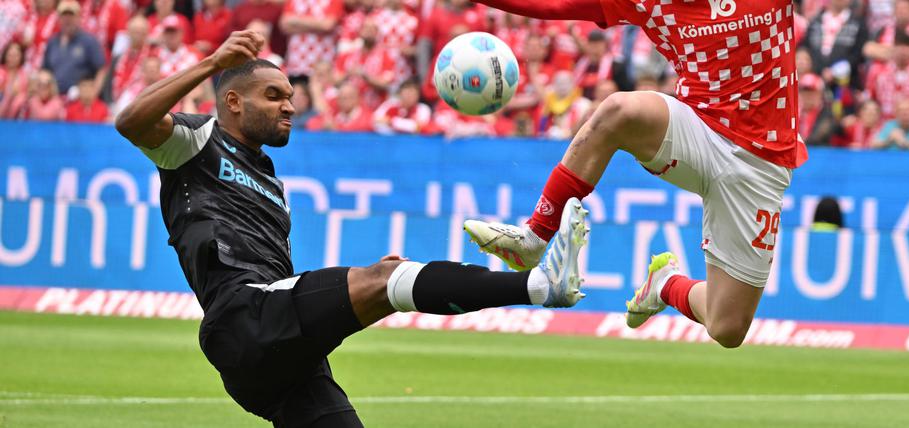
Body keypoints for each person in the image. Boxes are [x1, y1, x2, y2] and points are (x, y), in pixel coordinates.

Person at [113, 31, 589, 427]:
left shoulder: (271, 184)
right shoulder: (194, 142)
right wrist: (212, 62)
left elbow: (284, 282)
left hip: (278, 352)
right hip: (243, 315)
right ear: (233, 102)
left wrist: (351, 288)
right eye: (273, 95)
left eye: (291, 98)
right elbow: (131, 122)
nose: (289, 107)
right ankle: (542, 284)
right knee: (385, 283)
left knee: (386, 279)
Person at [464, 0, 806, 348]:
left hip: (760, 161)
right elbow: (553, 4)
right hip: (697, 129)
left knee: (727, 327)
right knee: (619, 111)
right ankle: (534, 238)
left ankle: (665, 283)